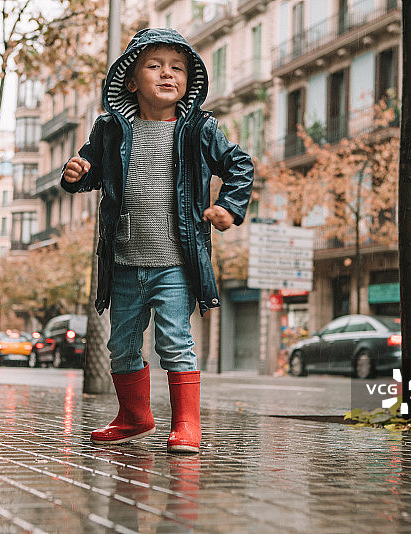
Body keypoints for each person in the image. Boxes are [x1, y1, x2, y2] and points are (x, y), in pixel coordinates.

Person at [62, 28, 254, 453]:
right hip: (125, 261)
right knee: (121, 343)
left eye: (177, 68)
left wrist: (228, 206)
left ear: (189, 80)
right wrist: (74, 174)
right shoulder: (110, 128)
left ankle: (187, 423)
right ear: (131, 80)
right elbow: (90, 169)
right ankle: (135, 416)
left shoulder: (200, 129)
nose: (168, 74)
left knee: (174, 340)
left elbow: (239, 165)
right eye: (155, 66)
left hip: (176, 262)